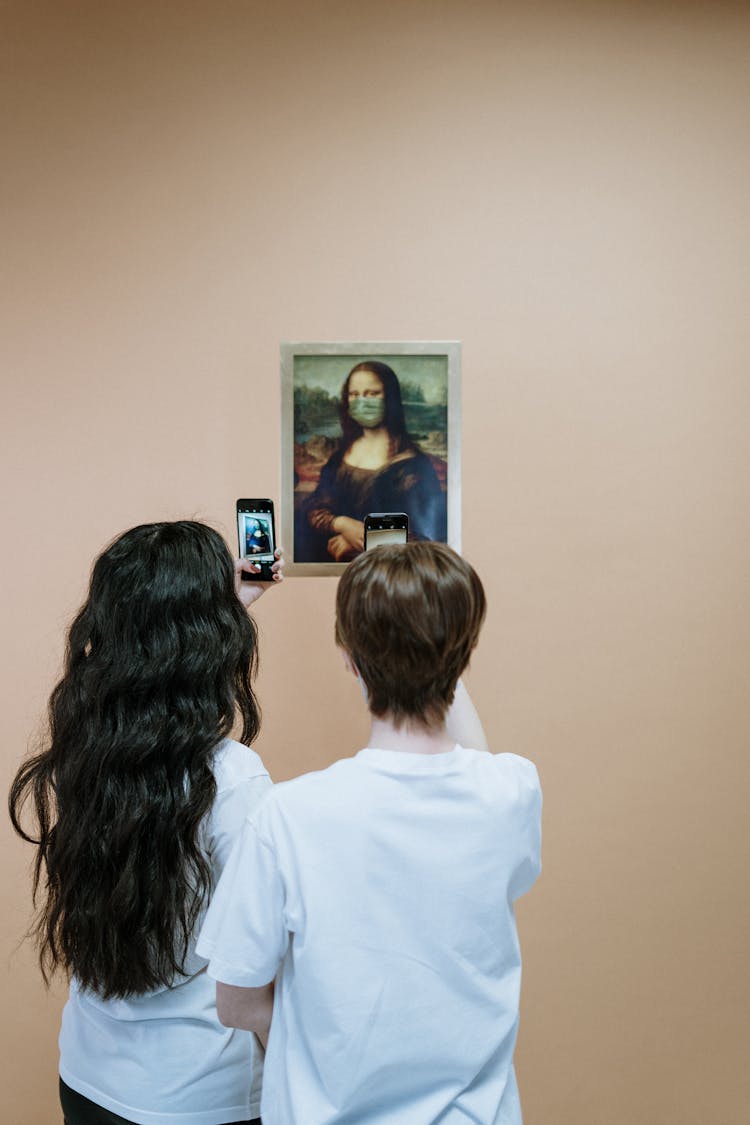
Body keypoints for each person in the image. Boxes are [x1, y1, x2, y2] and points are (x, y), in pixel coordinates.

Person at [197, 541, 542, 1125]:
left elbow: (235, 1001)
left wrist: (326, 1045)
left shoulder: (289, 815)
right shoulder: (512, 791)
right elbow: (475, 759)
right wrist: (435, 637)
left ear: (349, 660)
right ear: (465, 658)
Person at [8, 521, 283, 1125]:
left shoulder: (83, 751)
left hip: (88, 1080)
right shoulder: (233, 779)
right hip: (202, 1096)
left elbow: (147, 672)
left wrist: (210, 608)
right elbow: (255, 969)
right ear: (216, 639)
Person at [300, 361, 446, 562]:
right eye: (354, 394)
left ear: (390, 398)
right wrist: (341, 524)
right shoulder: (340, 456)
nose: (362, 401)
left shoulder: (414, 465)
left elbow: (426, 539)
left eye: (372, 394)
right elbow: (314, 507)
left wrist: (363, 541)